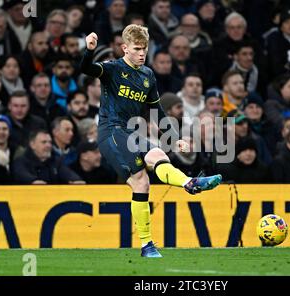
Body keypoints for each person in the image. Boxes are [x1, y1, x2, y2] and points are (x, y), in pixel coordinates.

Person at [80, 24, 222, 258]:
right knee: (140, 178)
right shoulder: (112, 69)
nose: (141, 53)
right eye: (136, 49)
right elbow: (86, 68)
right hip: (110, 132)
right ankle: (187, 186)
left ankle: (184, 189)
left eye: (144, 49)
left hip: (131, 132)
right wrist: (89, 50)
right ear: (125, 48)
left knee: (156, 160)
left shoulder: (147, 75)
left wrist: (174, 140)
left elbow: (157, 110)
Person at [13, 129, 85, 185]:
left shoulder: (56, 162)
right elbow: (22, 175)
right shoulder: (21, 161)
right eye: (44, 142)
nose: (48, 145)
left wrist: (76, 180)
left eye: (50, 142)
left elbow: (68, 174)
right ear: (32, 145)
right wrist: (33, 181)